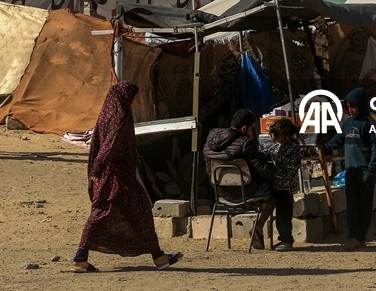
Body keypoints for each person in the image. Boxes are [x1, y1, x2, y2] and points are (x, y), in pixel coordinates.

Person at [72, 81, 183, 272]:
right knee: (111, 213)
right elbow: (110, 144)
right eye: (135, 97)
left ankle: (159, 257)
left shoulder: (108, 115)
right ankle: (81, 257)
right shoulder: (120, 119)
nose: (137, 100)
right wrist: (98, 168)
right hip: (117, 177)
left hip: (115, 175)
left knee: (132, 213)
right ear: (125, 98)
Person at [203, 109, 276, 250]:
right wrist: (274, 167)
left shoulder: (209, 143)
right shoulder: (246, 143)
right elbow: (264, 171)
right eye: (251, 128)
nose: (251, 132)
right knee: (272, 193)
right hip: (245, 193)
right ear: (244, 128)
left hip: (221, 193)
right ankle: (258, 226)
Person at [323, 87, 376, 251]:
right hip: (351, 171)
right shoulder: (348, 123)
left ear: (361, 104)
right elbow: (339, 138)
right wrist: (325, 145)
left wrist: (371, 168)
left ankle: (361, 237)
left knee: (364, 206)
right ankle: (353, 237)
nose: (350, 110)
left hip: (365, 171)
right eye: (348, 107)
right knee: (352, 206)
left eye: (353, 106)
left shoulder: (369, 123)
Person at [264, 119, 304, 252]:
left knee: (284, 214)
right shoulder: (276, 145)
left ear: (286, 134)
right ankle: (283, 238)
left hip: (286, 186)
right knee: (279, 214)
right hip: (276, 184)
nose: (275, 138)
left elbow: (295, 165)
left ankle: (287, 240)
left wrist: (279, 158)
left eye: (278, 135)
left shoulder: (293, 146)